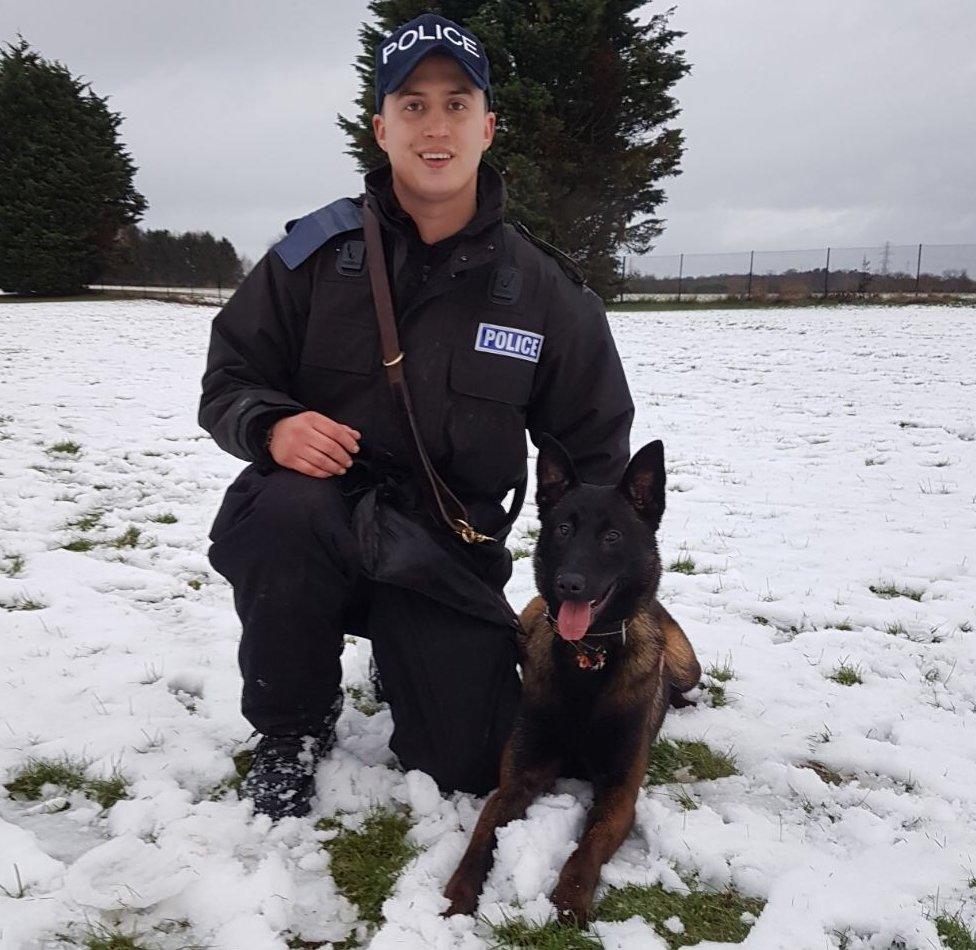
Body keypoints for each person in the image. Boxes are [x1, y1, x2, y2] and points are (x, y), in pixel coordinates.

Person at [199, 12, 634, 820]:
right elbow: (229, 377)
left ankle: (408, 656)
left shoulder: (545, 293)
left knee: (472, 761)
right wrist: (270, 427)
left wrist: (599, 601)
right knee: (281, 509)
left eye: (457, 104)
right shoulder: (314, 259)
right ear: (381, 127)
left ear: (488, 125)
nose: (436, 127)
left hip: (445, 550)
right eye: (413, 105)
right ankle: (291, 728)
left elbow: (598, 458)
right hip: (320, 524)